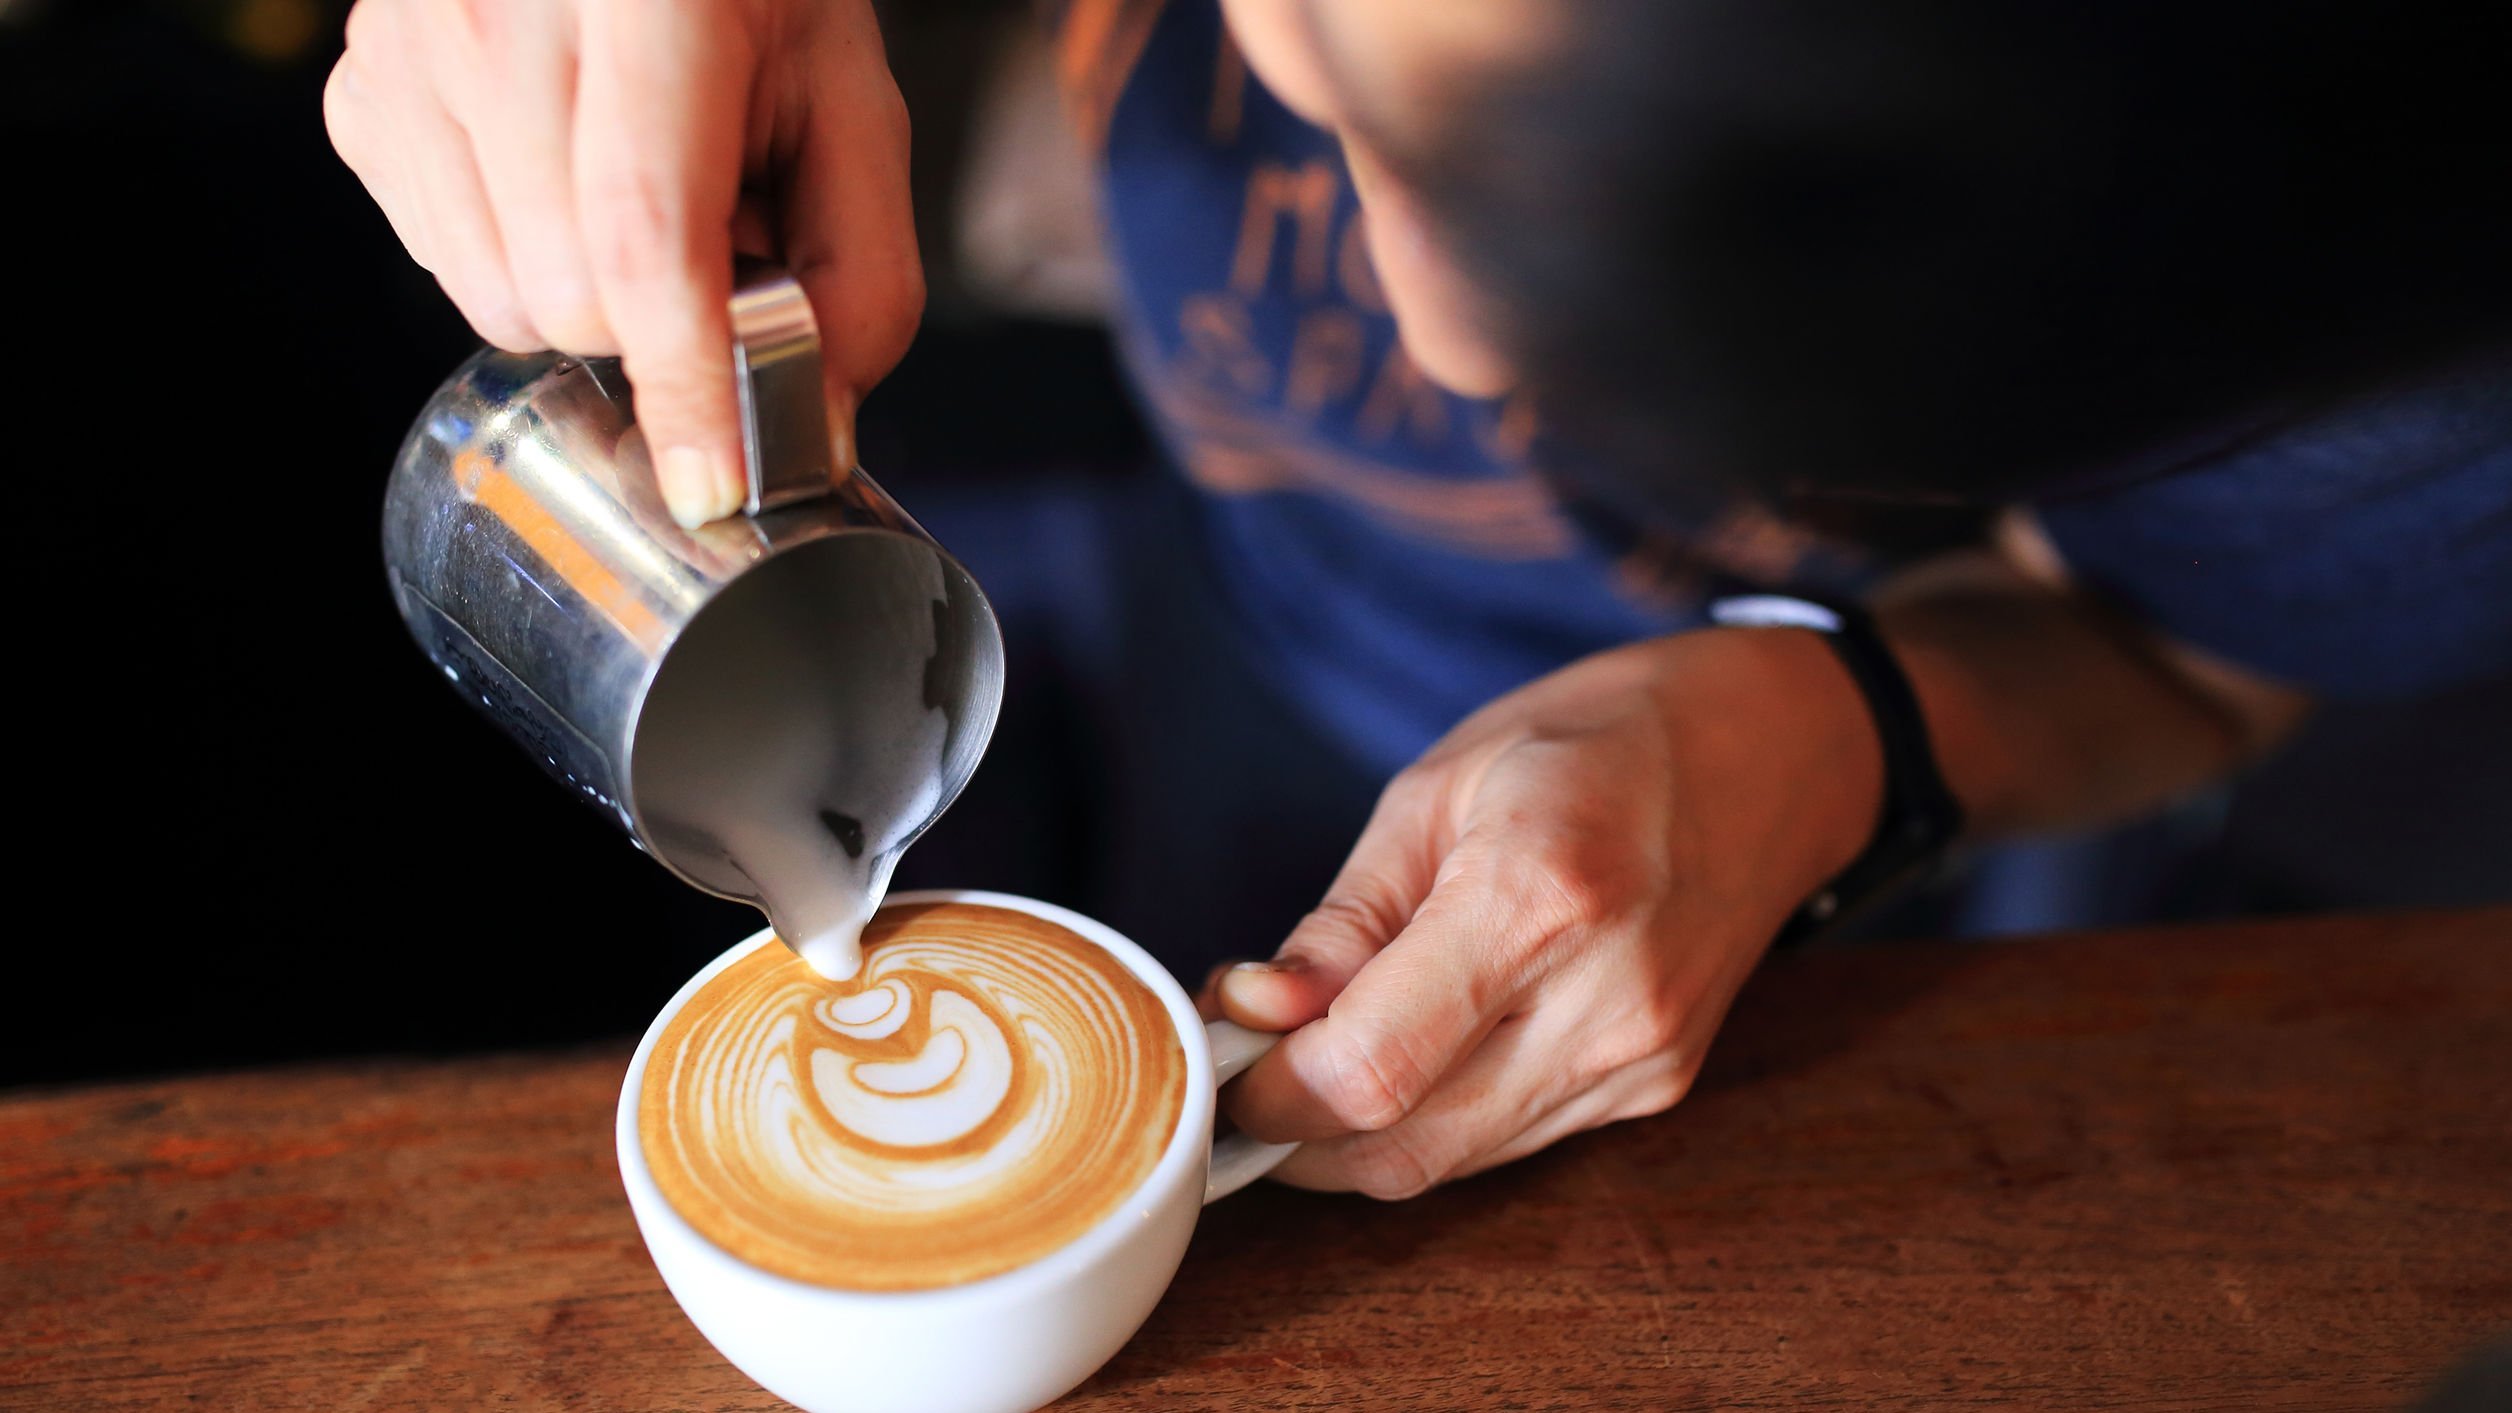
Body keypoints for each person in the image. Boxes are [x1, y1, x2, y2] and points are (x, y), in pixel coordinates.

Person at [326, 0, 2512, 1198]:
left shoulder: (2421, 372)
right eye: (1355, 98)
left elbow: (2187, 656)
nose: (1447, 338)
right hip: (1209, 598)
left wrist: (1845, 731)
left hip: (1895, 919)